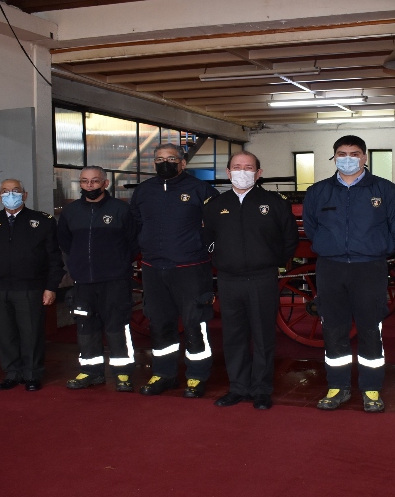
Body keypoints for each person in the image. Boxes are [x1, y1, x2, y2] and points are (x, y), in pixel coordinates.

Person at [302, 135, 395, 412]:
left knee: (370, 329)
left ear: (364, 157)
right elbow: (312, 227)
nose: (347, 158)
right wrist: (330, 248)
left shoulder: (386, 190)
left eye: (353, 153)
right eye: (341, 153)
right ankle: (337, 386)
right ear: (334, 157)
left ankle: (371, 389)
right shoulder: (318, 192)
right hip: (331, 268)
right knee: (334, 329)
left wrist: (380, 248)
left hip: (370, 268)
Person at [202, 151, 299, 410]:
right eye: (237, 167)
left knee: (263, 335)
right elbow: (207, 239)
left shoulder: (275, 202)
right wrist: (221, 258)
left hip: (262, 278)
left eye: (248, 167)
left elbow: (290, 239)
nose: (242, 172)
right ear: (228, 172)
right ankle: (238, 387)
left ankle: (261, 389)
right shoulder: (214, 205)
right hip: (228, 279)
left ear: (259, 173)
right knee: (233, 336)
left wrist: (273, 260)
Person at [130, 143, 219, 398]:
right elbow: (135, 223)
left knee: (194, 322)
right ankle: (163, 373)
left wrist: (204, 247)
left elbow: (216, 225)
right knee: (159, 323)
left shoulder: (200, 189)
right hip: (153, 267)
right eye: (159, 158)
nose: (164, 162)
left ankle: (197, 376)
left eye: (170, 158)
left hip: (190, 267)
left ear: (182, 163)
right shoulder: (144, 191)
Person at [0, 179, 65, 391]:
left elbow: (54, 258)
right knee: (5, 334)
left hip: (31, 288)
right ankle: (12, 373)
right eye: (5, 191)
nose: (10, 195)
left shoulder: (42, 221)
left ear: (24, 194)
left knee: (31, 332)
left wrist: (51, 286)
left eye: (15, 191)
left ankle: (32, 374)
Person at [58, 166, 138, 392]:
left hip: (115, 281)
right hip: (83, 282)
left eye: (94, 181)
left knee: (117, 327)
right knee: (86, 327)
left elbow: (132, 243)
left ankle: (122, 373)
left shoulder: (121, 210)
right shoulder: (71, 212)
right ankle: (91, 372)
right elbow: (65, 243)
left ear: (105, 183)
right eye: (85, 181)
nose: (89, 185)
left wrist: (118, 263)